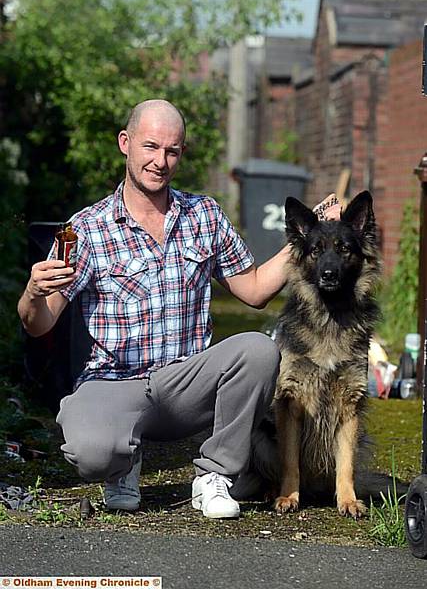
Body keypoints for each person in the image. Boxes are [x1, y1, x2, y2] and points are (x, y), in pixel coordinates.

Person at [17, 99, 340, 519]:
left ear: (181, 153)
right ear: (125, 143)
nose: (160, 161)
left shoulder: (204, 215)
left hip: (187, 384)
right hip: (114, 383)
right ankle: (121, 464)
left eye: (172, 150)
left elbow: (256, 289)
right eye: (150, 147)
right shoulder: (85, 229)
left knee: (259, 351)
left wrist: (311, 230)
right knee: (89, 451)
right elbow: (40, 324)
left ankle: (215, 475)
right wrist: (32, 292)